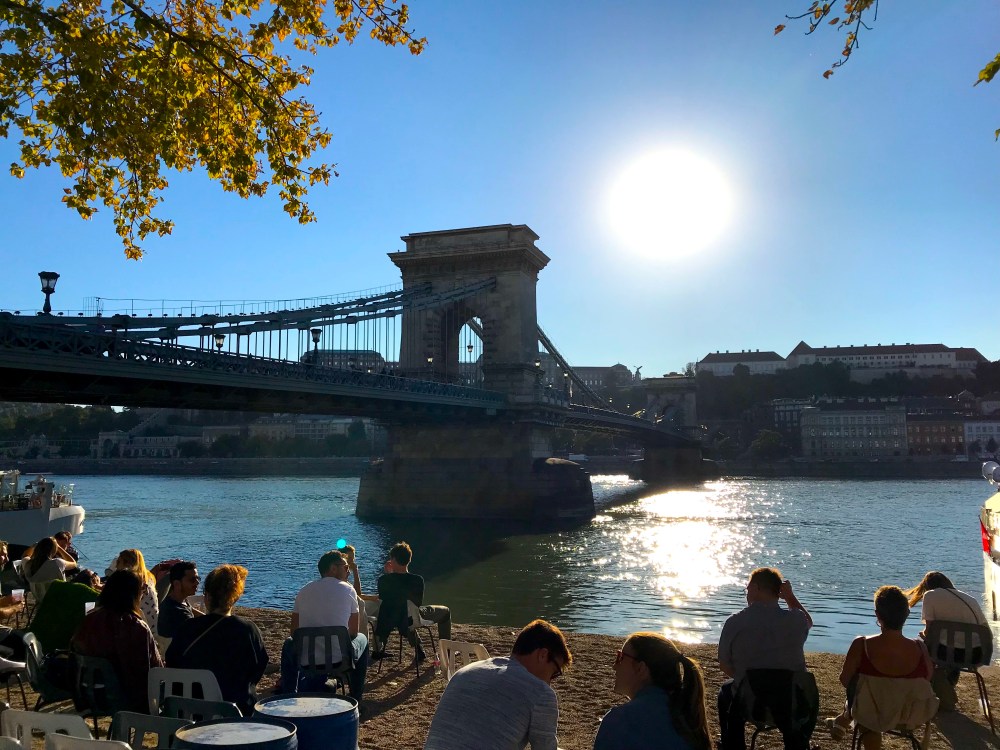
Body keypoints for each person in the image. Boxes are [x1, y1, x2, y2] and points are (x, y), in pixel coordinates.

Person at [424, 619, 571, 750]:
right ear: (543, 655)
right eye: (554, 672)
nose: (549, 682)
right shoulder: (540, 692)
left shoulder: (464, 672)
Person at [826, 586, 936, 749]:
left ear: (878, 615)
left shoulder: (862, 645)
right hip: (909, 716)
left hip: (871, 713)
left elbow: (845, 680)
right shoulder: (920, 648)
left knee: (865, 703)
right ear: (906, 614)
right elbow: (927, 679)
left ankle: (843, 719)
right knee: (870, 700)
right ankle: (842, 720)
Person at [717, 567, 813, 750]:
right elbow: (808, 622)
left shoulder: (735, 622)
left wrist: (744, 678)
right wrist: (790, 597)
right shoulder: (796, 620)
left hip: (751, 704)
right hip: (790, 703)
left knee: (726, 692)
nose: (746, 593)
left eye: (747, 589)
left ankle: (734, 745)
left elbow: (724, 664)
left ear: (755, 588)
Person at [166, 564, 267, 715]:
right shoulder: (248, 631)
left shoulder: (187, 628)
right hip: (233, 712)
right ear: (235, 597)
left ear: (207, 596)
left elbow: (172, 661)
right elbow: (257, 668)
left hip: (190, 710)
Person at [594, 632, 711, 750]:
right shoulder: (688, 719)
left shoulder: (619, 721)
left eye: (620, 657)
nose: (614, 666)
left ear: (641, 669)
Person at [280, 550, 369, 701]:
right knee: (362, 638)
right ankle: (356, 697)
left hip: (307, 658)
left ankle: (289, 695)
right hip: (339, 659)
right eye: (346, 567)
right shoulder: (348, 590)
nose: (348, 571)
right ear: (333, 568)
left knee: (288, 643)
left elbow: (294, 632)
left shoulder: (304, 591)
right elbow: (353, 631)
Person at [71, 570, 163, 714]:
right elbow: (149, 671)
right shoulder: (135, 627)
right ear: (133, 594)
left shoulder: (89, 619)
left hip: (88, 694)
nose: (143, 593)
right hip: (124, 699)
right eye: (142, 589)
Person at [905, 570, 988, 709]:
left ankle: (936, 692)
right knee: (951, 645)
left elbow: (929, 631)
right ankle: (948, 686)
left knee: (922, 646)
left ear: (927, 586)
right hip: (976, 654)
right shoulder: (969, 599)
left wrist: (923, 635)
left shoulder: (930, 595)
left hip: (948, 654)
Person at [374, 541, 451, 660]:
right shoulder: (417, 580)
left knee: (405, 612)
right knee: (445, 612)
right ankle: (446, 652)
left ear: (393, 560)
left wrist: (390, 575)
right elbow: (418, 603)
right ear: (409, 559)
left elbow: (384, 598)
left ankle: (419, 648)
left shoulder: (383, 580)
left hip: (390, 619)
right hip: (411, 619)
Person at [28, 575, 101, 653]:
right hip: (55, 651)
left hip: (35, 643)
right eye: (94, 574)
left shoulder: (62, 591)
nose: (95, 575)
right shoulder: (89, 597)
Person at [110, 549, 159, 636]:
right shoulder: (148, 577)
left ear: (128, 564)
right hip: (153, 626)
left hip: (141, 628)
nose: (116, 566)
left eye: (119, 562)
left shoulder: (132, 580)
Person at [158, 561, 202, 639]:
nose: (197, 582)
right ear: (177, 584)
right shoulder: (179, 613)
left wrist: (210, 619)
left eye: (198, 578)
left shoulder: (177, 599)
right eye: (192, 580)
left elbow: (191, 609)